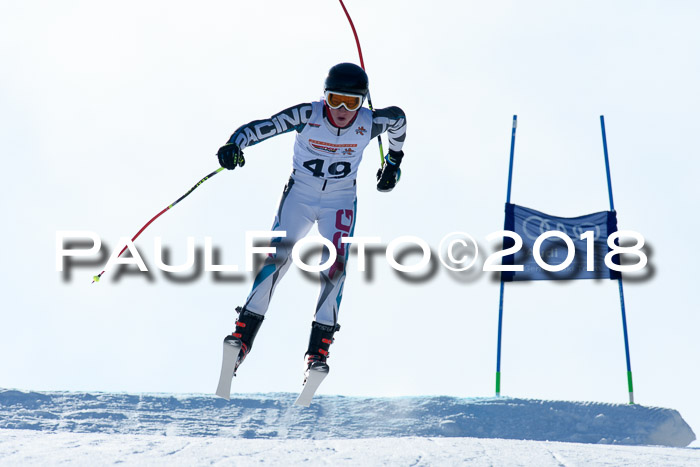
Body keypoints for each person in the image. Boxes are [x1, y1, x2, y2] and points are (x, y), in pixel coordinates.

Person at [216, 62, 406, 379]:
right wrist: (235, 145)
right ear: (324, 97)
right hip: (300, 197)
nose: (343, 110)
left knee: (335, 268)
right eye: (335, 100)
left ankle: (317, 351)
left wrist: (393, 163)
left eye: (351, 102)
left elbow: (398, 120)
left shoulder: (370, 122)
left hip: (340, 201)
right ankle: (242, 339)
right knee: (275, 258)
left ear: (362, 101)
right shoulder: (308, 115)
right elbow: (263, 127)